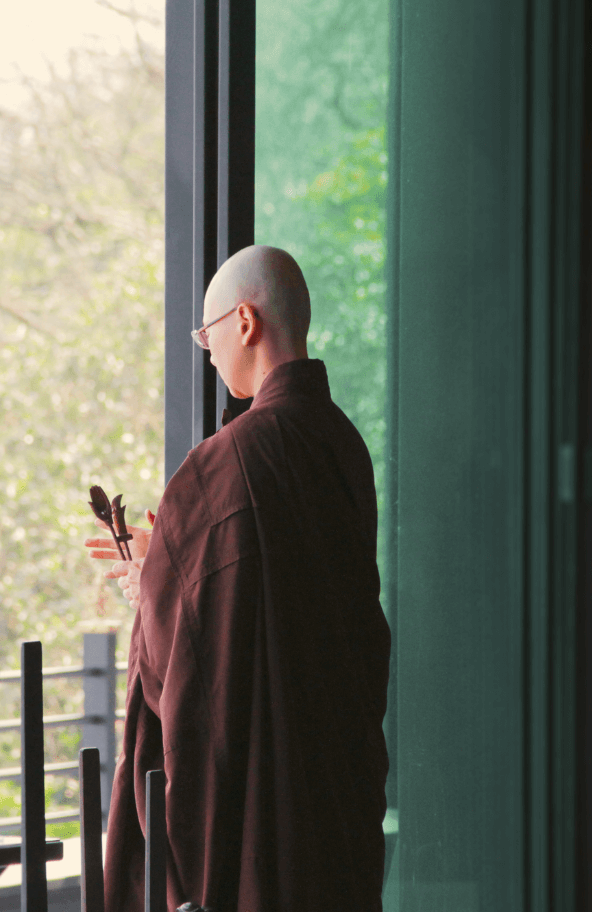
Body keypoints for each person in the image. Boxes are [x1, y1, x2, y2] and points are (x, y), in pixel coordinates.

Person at [85, 246, 391, 911]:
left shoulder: (226, 462)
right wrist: (171, 557)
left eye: (208, 331)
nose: (208, 350)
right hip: (338, 783)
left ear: (245, 321)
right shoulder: (341, 442)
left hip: (265, 806)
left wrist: (154, 588)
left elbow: (187, 660)